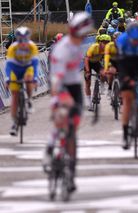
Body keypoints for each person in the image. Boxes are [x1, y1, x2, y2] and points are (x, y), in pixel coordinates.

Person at [43, 12, 94, 192]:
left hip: (73, 86)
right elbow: (56, 78)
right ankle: (50, 148)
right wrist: (59, 99)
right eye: (83, 35)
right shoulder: (62, 49)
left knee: (72, 130)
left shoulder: (78, 45)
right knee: (62, 116)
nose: (85, 38)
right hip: (60, 85)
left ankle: (70, 173)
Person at [5, 27, 39, 136]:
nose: (23, 43)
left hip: (27, 68)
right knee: (14, 96)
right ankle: (14, 123)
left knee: (29, 79)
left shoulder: (32, 47)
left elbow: (35, 65)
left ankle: (29, 99)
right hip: (15, 69)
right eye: (20, 40)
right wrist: (7, 79)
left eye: (25, 40)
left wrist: (35, 78)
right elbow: (8, 66)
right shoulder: (12, 48)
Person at [84, 34, 111, 111]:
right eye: (104, 42)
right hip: (88, 63)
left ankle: (102, 85)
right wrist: (88, 71)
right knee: (87, 82)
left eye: (107, 42)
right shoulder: (93, 47)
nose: (106, 44)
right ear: (99, 42)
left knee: (103, 73)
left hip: (96, 63)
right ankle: (89, 102)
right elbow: (86, 59)